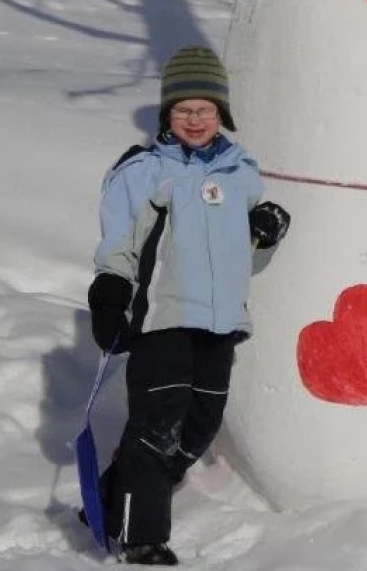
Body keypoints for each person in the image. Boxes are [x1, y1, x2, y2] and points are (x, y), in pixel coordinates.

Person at [87, 45, 290, 566]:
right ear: (166, 115)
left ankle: (112, 499)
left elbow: (245, 247)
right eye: (183, 110)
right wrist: (110, 291)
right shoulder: (144, 171)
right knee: (157, 426)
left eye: (205, 109)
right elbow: (120, 244)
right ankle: (142, 539)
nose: (195, 120)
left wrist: (267, 226)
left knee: (199, 424)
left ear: (222, 113)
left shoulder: (240, 170)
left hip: (220, 323)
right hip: (163, 320)